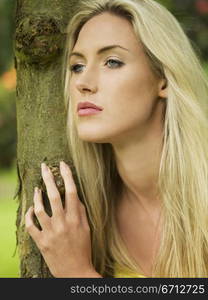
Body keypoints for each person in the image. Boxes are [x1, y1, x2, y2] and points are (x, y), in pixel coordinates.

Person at [25, 0, 208, 278]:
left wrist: (77, 274)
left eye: (112, 62)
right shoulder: (87, 218)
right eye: (77, 66)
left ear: (164, 81)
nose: (82, 82)